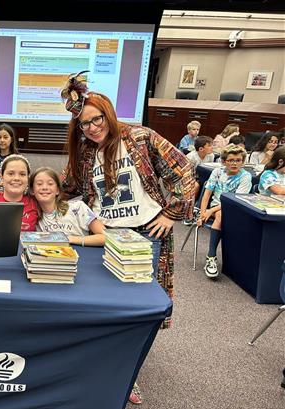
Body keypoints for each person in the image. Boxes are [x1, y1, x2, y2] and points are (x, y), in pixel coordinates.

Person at [60, 73, 195, 340]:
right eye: (83, 124)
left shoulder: (140, 137)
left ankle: (130, 359)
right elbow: (67, 186)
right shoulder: (86, 152)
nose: (91, 127)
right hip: (104, 233)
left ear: (107, 113)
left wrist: (172, 213)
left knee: (138, 301)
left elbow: (182, 170)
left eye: (96, 119)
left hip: (146, 234)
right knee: (103, 297)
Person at [198, 146, 251, 278]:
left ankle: (212, 256)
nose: (234, 163)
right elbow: (207, 193)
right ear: (223, 161)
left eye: (238, 160)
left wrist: (210, 211)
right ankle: (211, 257)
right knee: (221, 215)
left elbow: (234, 201)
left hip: (235, 207)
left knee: (222, 214)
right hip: (217, 206)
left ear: (242, 161)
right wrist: (202, 213)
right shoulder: (217, 172)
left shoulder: (245, 176)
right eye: (231, 160)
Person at [30, 167, 105, 246]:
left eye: (50, 184)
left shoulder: (78, 207)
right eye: (39, 184)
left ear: (57, 190)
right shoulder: (34, 217)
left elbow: (107, 238)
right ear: (32, 191)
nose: (45, 187)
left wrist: (70, 239)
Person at [0, 154, 38, 231]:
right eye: (11, 173)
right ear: (1, 178)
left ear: (28, 179)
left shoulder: (36, 205)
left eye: (22, 174)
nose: (16, 178)